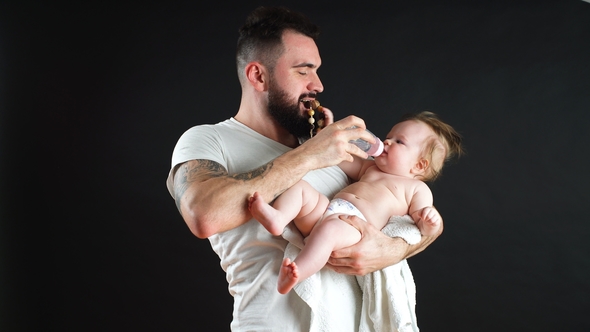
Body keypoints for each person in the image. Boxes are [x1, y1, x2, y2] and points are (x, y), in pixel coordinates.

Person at [166, 6, 443, 331]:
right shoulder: (207, 139)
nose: (318, 84)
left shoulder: (329, 145)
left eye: (317, 71)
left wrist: (391, 250)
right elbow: (203, 215)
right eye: (303, 71)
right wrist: (311, 154)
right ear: (258, 75)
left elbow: (409, 213)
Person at [249, 111, 463, 295]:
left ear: (419, 165)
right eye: (389, 136)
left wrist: (429, 221)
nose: (387, 141)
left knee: (330, 229)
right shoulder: (370, 167)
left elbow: (420, 226)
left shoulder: (417, 189)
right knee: (301, 189)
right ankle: (278, 218)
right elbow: (341, 157)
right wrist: (327, 135)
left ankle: (296, 273)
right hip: (326, 211)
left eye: (399, 141)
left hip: (353, 229)